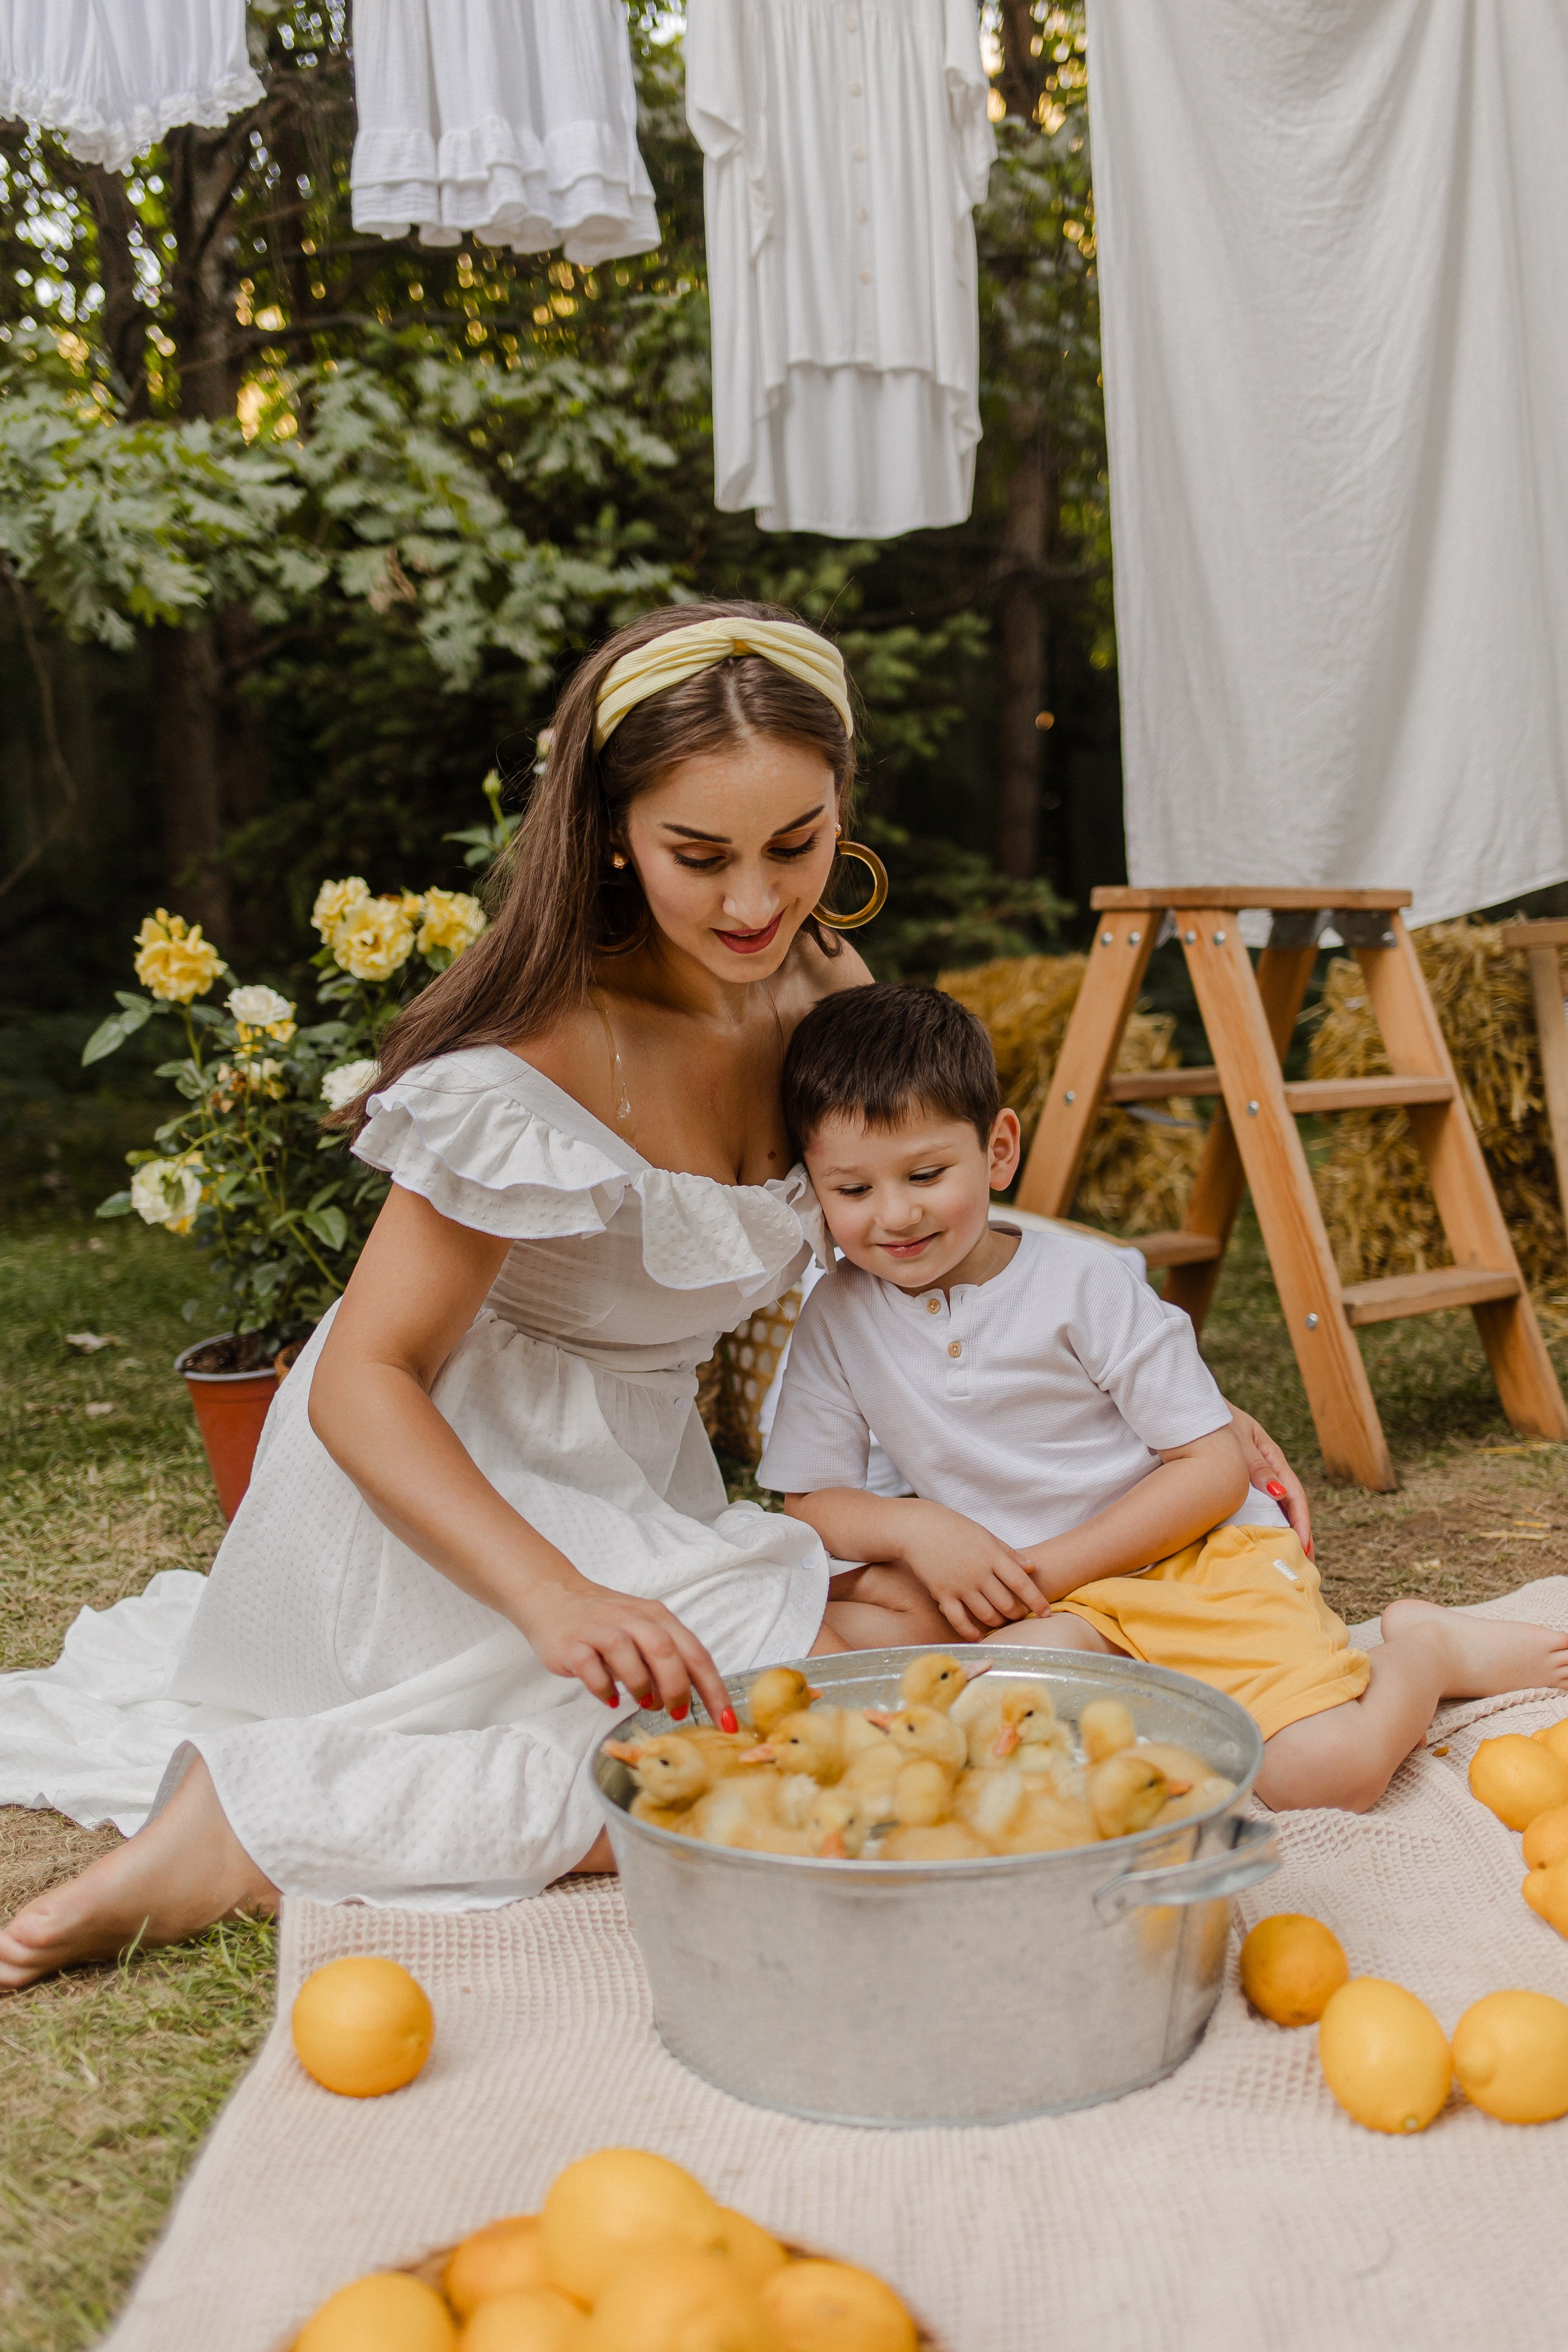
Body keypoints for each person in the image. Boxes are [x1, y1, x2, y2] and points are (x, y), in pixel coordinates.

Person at [0, 605, 1306, 1991]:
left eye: (793, 848)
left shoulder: (820, 989)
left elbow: (913, 1209)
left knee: (922, 1647)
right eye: (700, 856)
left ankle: (307, 1802)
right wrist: (553, 1596)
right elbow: (359, 1382)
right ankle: (253, 1827)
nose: (754, 904)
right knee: (786, 1742)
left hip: (636, 1477)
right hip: (452, 1500)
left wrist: (1168, 1387)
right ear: (613, 831)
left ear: (838, 811)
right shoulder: (546, 1043)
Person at [758, 983, 1568, 1812]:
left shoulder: (1085, 1285)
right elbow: (812, 1500)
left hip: (1195, 1561)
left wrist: (1050, 1568)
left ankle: (1425, 1653)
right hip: (1059, 1603)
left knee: (1325, 1774)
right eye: (852, 1190)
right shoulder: (838, 1313)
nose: (894, 1214)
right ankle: (1158, 1701)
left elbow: (1213, 1469)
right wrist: (915, 1527)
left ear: (999, 1150)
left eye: (926, 1173)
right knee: (977, 1730)